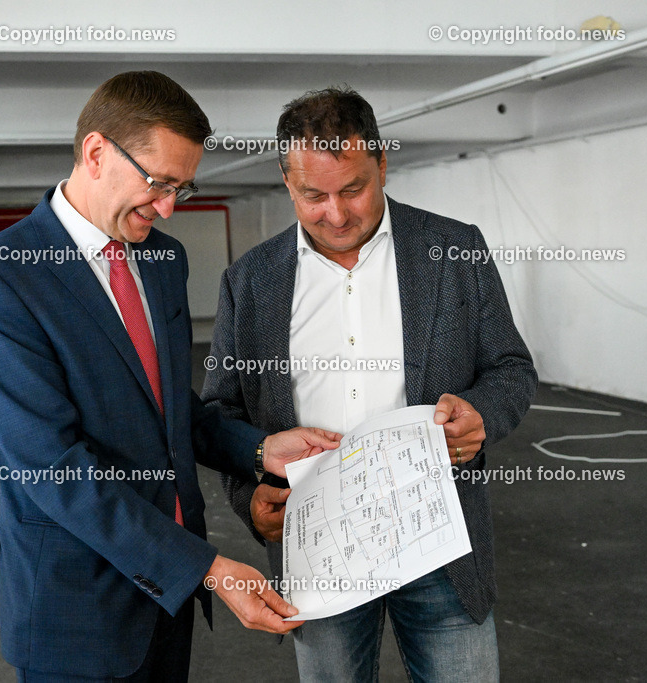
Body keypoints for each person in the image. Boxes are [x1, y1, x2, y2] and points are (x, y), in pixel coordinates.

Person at [0, 71, 340, 682]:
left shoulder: (162, 259)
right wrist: (208, 568)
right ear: (96, 153)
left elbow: (166, 406)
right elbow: (52, 467)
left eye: (181, 188)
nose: (167, 208)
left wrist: (260, 449)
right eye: (157, 183)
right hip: (75, 603)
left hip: (167, 595)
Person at [204, 87, 538, 682]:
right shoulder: (250, 282)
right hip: (317, 546)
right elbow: (221, 411)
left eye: (353, 189)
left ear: (382, 164)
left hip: (440, 544)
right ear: (287, 182)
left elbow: (510, 367)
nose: (335, 214)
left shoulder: (454, 250)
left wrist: (482, 414)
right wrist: (250, 502)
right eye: (314, 196)